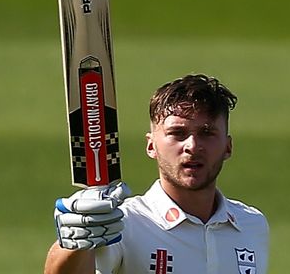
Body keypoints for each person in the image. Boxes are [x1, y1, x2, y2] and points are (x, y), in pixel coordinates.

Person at [44, 74, 269, 274]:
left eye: (207, 133)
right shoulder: (124, 222)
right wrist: (74, 243)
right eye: (177, 133)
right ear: (151, 146)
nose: (192, 145)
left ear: (228, 147)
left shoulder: (252, 224)